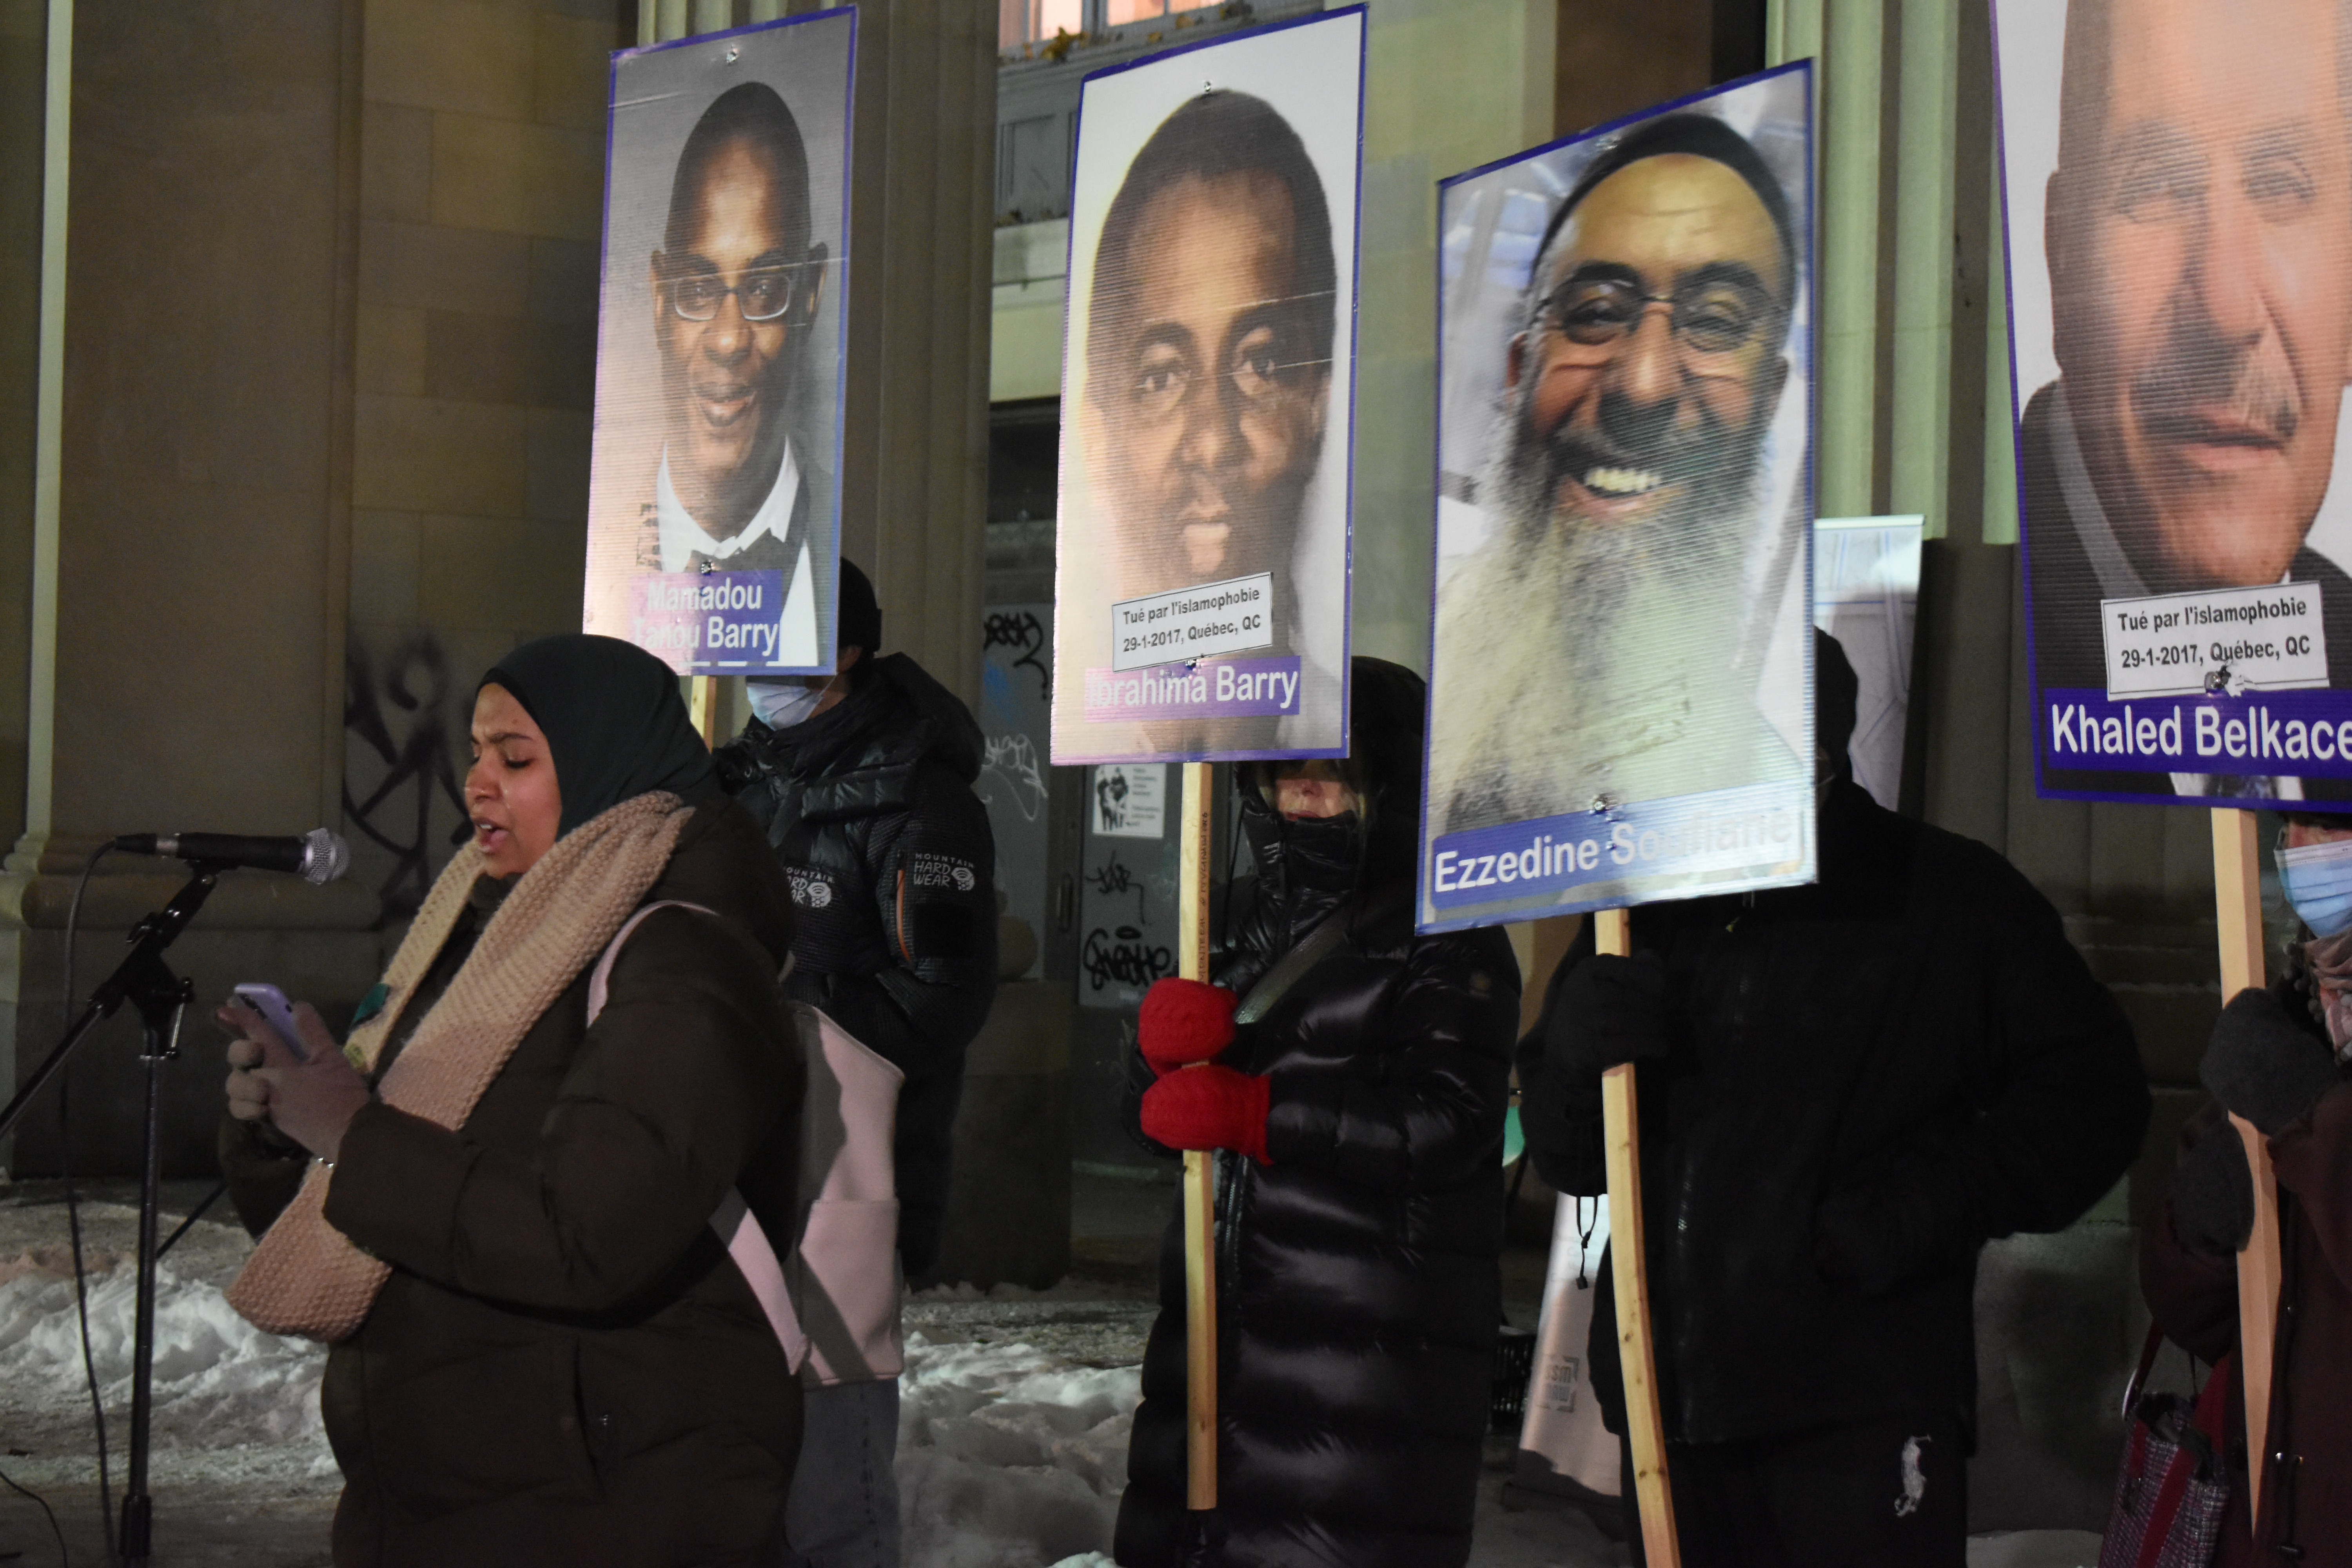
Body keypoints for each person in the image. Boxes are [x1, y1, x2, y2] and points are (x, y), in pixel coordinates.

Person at [1517, 632, 2150, 1566]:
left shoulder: (1944, 894)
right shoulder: (1647, 899)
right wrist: (1571, 1049)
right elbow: (1571, 1155)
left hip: (1858, 1405)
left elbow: (2095, 1098)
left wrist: (1915, 1213)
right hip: (1666, 1403)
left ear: (1817, 744)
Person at [216, 634, 804, 1567]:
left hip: (602, 1497)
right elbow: (380, 1214)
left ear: (606, 762)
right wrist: (289, 1133)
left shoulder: (685, 954)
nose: (477, 784)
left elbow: (586, 1232)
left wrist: (352, 1133)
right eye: (476, 753)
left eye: (517, 758)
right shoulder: (483, 938)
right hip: (458, 1484)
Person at [1112, 657, 1522, 1568]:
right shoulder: (1235, 920)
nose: (1305, 786)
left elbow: (1450, 1123)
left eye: (1337, 769)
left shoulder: (1449, 930)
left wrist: (1263, 1110)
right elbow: (1160, 1125)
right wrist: (1149, 1062)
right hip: (1220, 1332)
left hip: (1360, 1356)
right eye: (1288, 765)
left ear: (1394, 777)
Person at [714, 559, 996, 1566]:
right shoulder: (730, 778)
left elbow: (941, 997)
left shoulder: (922, 795)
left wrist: (789, 1013)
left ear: (847, 651)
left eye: (780, 648)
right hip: (724, 1163)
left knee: (832, 1475)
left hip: (844, 1182)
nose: (760, 672)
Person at [1427, 111, 1808, 837]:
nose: (1644, 383)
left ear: (1769, 405)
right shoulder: (1415, 694)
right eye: (1596, 313)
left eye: (1718, 323)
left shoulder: (1759, 811)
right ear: (1518, 372)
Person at [2022, 0, 2352, 797]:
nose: (2226, 306)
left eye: (2281, 184)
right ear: (2064, 261)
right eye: (2159, 186)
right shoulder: (1973, 650)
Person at [1076, 88, 1339, 751]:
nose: (1214, 438)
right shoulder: (1082, 732)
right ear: (1097, 435)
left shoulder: (1354, 747)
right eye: (1160, 377)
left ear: (1319, 407)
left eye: (1264, 364)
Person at [2142, 810, 2352, 1563]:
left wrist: (2313, 1120)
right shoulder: (2293, 1013)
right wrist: (2199, 1234)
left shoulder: (2292, 1067)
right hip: (2272, 1517)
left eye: (2331, 827)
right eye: (2293, 826)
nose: (2302, 853)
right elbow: (2194, 1320)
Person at [641, 79, 833, 664]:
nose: (728, 338)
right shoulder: (603, 541)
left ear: (810, 292)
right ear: (658, 295)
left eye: (764, 287)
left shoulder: (852, 544)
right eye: (697, 289)